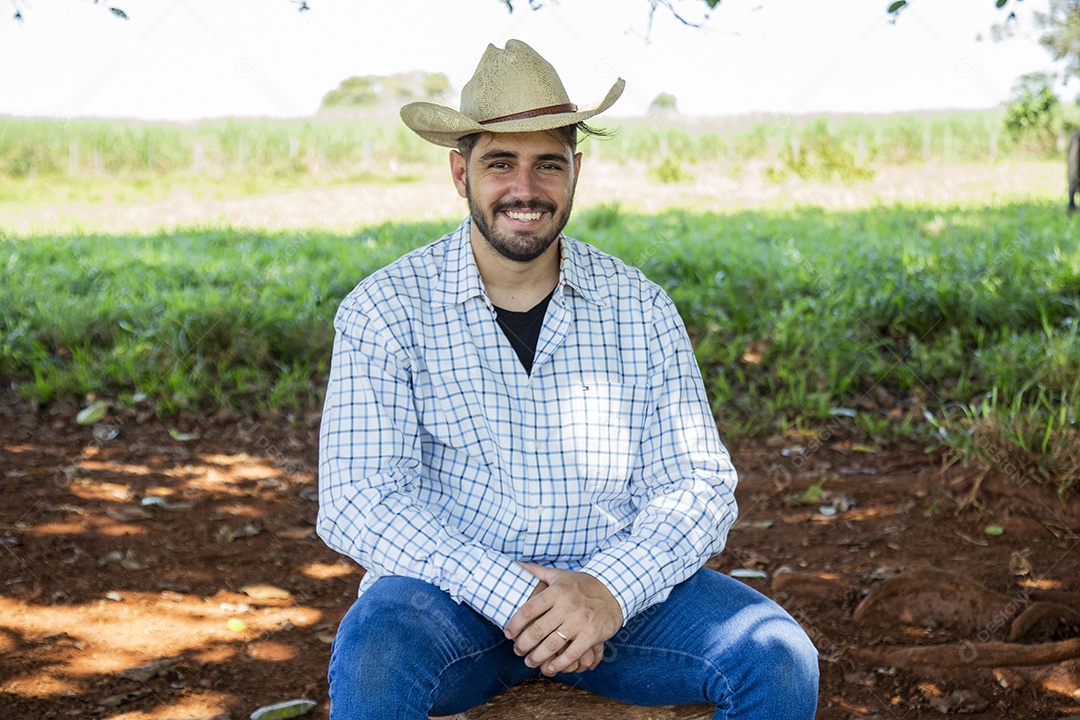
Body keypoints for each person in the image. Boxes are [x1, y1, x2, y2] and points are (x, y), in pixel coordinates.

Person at [317, 39, 819, 719]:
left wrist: (606, 592)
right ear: (460, 174)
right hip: (449, 602)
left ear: (576, 171)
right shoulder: (386, 309)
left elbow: (697, 484)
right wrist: (513, 595)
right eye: (501, 164)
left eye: (547, 165)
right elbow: (358, 498)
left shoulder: (638, 307)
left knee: (778, 658)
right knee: (375, 656)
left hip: (618, 609)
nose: (525, 189)